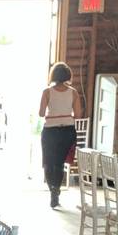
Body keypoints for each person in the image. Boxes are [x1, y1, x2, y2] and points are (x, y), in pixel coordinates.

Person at [39, 62, 82, 209]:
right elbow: (78, 114)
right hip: (67, 130)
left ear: (53, 75)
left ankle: (52, 189)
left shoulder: (47, 92)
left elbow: (40, 113)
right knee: (59, 163)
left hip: (50, 130)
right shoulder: (74, 93)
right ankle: (56, 189)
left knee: (48, 161)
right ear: (68, 75)